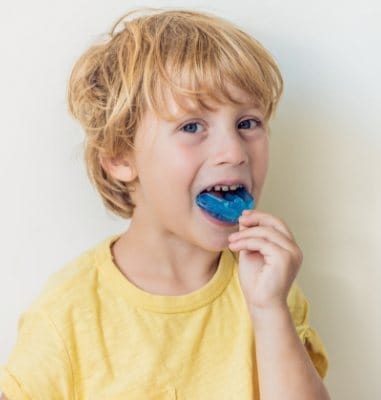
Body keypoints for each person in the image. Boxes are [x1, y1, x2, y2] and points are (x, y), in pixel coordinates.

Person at [0, 8, 330, 400]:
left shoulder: (268, 287)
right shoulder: (67, 315)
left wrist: (270, 309)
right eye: (192, 126)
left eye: (247, 123)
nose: (233, 151)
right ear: (121, 157)